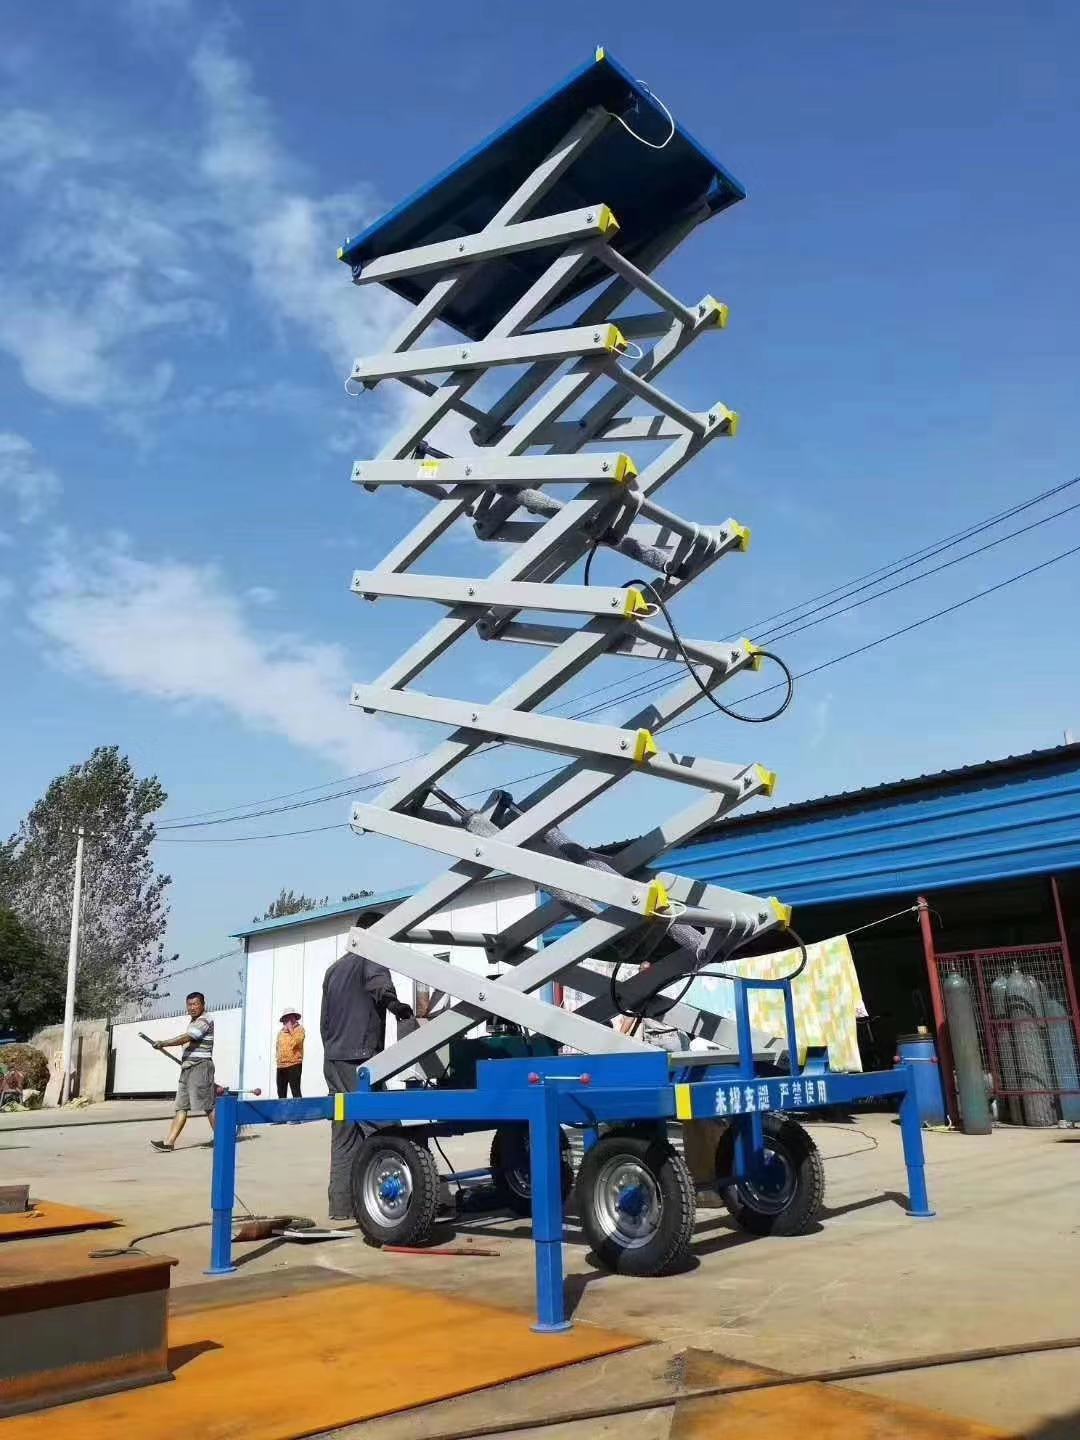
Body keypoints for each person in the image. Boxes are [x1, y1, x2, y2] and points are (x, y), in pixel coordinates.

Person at [320, 946, 413, 1222]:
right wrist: (396, 1006)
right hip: (359, 1061)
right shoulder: (371, 957)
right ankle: (406, 1203)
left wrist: (333, 1051)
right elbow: (379, 985)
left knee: (345, 1134)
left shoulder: (334, 969)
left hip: (334, 1060)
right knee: (386, 1129)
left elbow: (324, 1021)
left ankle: (342, 1208)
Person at [150, 991, 216, 1152]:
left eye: (195, 1004)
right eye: (189, 1004)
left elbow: (187, 1037)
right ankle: (169, 1142)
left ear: (203, 1005)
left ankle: (223, 1138)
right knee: (181, 1107)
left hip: (200, 1067)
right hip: (187, 1068)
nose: (192, 1007)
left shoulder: (204, 1020)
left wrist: (164, 1043)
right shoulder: (193, 1021)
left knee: (207, 1105)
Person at [275, 1007, 305, 1098]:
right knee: (281, 1092)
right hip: (281, 1066)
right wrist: (278, 1060)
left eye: (291, 1017)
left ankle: (299, 1107)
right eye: (286, 1018)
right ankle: (282, 1107)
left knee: (295, 1091)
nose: (288, 1020)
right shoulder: (281, 1033)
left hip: (294, 1064)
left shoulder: (299, 1029)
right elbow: (278, 1047)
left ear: (295, 1018)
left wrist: (291, 1029)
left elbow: (298, 1041)